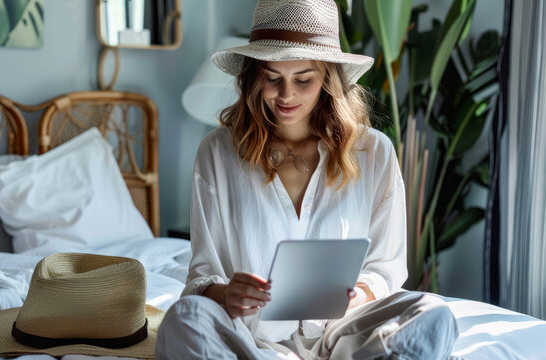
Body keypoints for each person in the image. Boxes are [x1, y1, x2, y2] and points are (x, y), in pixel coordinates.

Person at [156, 0, 459, 359]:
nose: (286, 95)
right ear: (254, 76)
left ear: (328, 78)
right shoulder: (217, 152)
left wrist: (358, 294)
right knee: (184, 318)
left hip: (346, 332)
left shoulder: (374, 152)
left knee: (434, 313)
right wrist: (225, 294)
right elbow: (202, 276)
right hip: (250, 340)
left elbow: (385, 267)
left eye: (303, 79)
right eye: (272, 78)